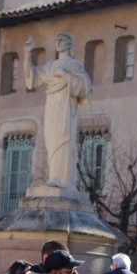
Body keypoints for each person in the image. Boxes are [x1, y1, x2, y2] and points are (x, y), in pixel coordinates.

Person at [24, 32, 92, 190]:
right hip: (52, 108)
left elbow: (85, 87)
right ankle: (54, 177)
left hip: (66, 109)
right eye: (57, 40)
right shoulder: (50, 66)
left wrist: (66, 76)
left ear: (69, 44)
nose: (58, 42)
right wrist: (28, 54)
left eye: (62, 39)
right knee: (52, 141)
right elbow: (32, 78)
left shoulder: (75, 65)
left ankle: (62, 181)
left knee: (64, 142)